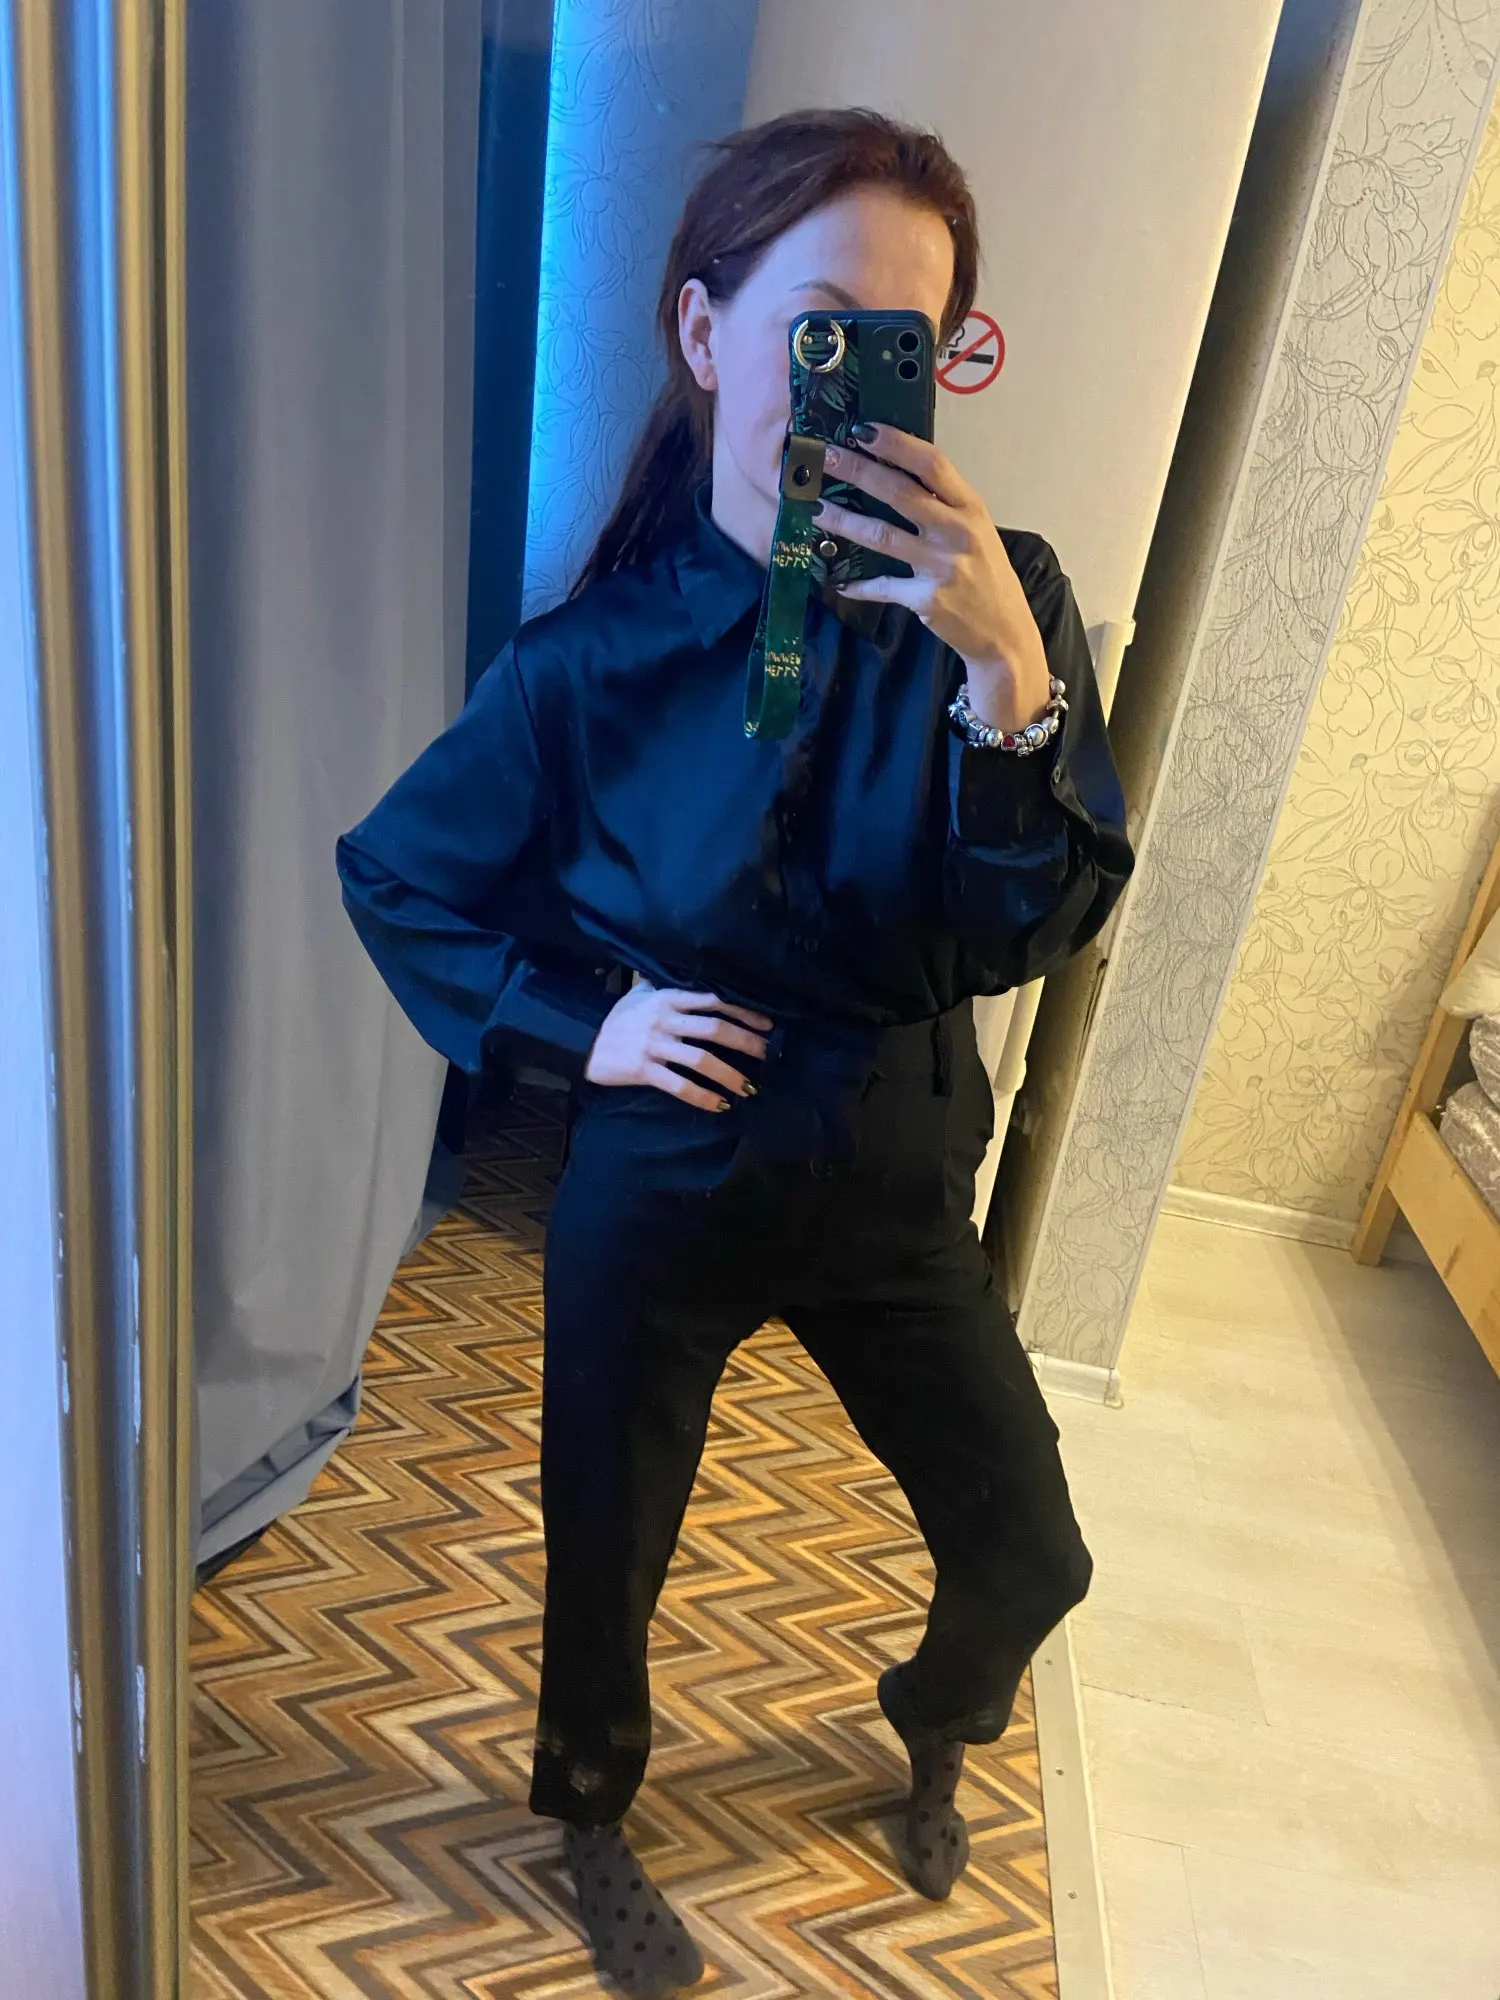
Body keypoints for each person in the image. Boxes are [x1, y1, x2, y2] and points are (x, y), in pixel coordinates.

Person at [338, 106, 1133, 1997]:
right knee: (606, 1551)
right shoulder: (585, 663)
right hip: (671, 1168)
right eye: (819, 326)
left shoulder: (1006, 601)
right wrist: (581, 1024)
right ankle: (590, 1811)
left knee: (1033, 1549)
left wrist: (1007, 682)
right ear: (705, 332)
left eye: (905, 343)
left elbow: (1036, 928)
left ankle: (941, 1711)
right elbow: (398, 875)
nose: (857, 381)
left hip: (896, 1171)